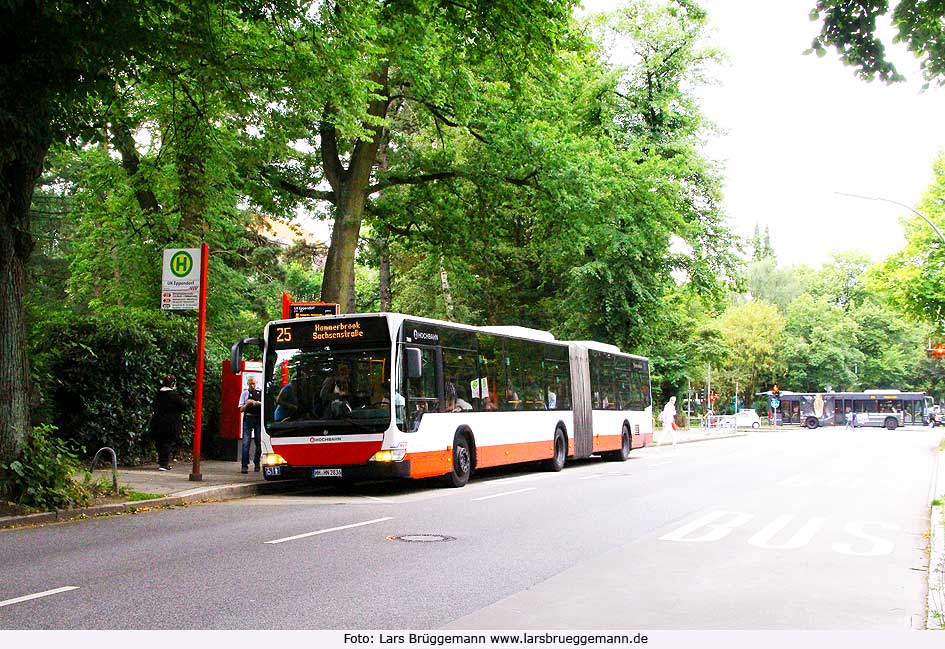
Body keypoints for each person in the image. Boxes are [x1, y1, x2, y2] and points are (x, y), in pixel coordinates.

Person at [149, 374, 187, 471]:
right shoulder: (174, 396)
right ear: (173, 384)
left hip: (157, 422)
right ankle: (163, 463)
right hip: (170, 423)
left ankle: (162, 462)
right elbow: (183, 406)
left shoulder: (158, 394)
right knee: (168, 443)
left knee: (160, 442)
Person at [239, 376, 263, 473]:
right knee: (246, 443)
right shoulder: (245, 393)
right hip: (248, 418)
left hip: (257, 418)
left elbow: (264, 405)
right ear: (248, 384)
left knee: (258, 441)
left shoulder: (260, 393)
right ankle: (244, 465)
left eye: (254, 383)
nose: (252, 385)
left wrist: (258, 403)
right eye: (250, 384)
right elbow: (240, 409)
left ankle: (256, 462)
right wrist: (247, 404)